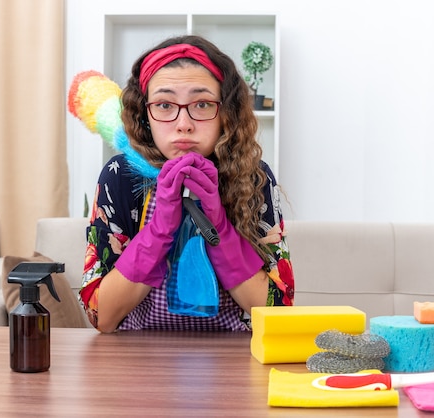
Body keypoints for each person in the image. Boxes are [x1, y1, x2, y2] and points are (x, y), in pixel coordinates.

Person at [79, 35, 294, 333]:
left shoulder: (253, 177)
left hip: (235, 360)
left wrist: (218, 227)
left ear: (226, 114)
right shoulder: (120, 176)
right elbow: (102, 317)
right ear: (144, 115)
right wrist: (160, 229)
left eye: (203, 104)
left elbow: (279, 314)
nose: (184, 124)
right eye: (165, 105)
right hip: (138, 359)